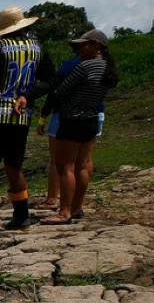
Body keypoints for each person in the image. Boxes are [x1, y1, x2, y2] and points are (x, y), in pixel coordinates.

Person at [0, 6, 55, 238]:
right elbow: (48, 80)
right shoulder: (38, 51)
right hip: (21, 116)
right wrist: (27, 96)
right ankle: (22, 218)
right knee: (14, 166)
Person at [40, 29, 119, 225]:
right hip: (91, 118)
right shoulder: (106, 68)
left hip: (72, 119)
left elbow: (60, 92)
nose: (80, 49)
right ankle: (76, 207)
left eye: (84, 45)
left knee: (64, 166)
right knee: (82, 165)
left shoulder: (84, 67)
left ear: (96, 46)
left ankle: (64, 211)